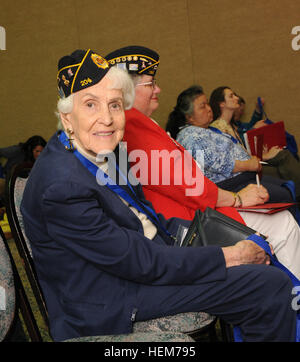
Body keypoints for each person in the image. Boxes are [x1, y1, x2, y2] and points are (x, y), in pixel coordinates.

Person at [20, 48, 296, 342]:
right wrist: (227, 255)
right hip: (114, 296)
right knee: (267, 286)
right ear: (66, 117)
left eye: (114, 105)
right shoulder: (61, 186)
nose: (107, 118)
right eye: (90, 104)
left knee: (258, 259)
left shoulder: (99, 151)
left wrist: (207, 243)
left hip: (141, 262)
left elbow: (145, 217)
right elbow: (137, 261)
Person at [105, 45, 300, 278]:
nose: (158, 89)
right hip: (189, 226)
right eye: (150, 83)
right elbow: (187, 185)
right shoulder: (133, 125)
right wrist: (237, 199)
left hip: (188, 217)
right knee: (284, 225)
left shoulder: (133, 123)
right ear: (126, 90)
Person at [166, 85, 294, 205]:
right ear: (190, 117)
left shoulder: (205, 130)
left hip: (244, 177)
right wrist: (247, 164)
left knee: (288, 186)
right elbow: (214, 161)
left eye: (208, 104)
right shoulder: (190, 135)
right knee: (286, 194)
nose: (209, 109)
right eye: (202, 106)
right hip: (230, 185)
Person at [209, 86, 300, 201]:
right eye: (231, 96)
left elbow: (241, 154)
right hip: (240, 174)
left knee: (284, 159)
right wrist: (264, 156)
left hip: (249, 166)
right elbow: (231, 161)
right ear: (221, 104)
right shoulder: (217, 128)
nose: (236, 98)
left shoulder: (230, 126)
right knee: (283, 165)